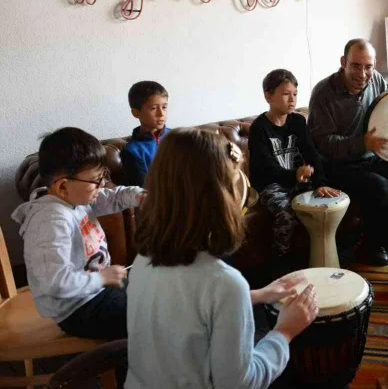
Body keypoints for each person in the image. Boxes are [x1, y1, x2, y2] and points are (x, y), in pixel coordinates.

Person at [126, 128, 319, 388]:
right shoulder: (225, 283)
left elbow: (189, 308)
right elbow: (241, 383)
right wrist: (284, 331)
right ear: (223, 200)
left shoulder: (143, 261)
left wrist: (257, 294)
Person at [11, 127, 144, 340]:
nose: (101, 186)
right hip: (77, 308)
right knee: (145, 317)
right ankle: (125, 366)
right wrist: (101, 278)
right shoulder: (51, 220)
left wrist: (139, 195)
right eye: (96, 180)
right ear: (63, 186)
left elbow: (112, 198)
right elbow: (55, 282)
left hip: (96, 290)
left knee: (150, 295)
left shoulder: (77, 198)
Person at [307, 38, 388, 266]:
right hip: (336, 165)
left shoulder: (376, 80)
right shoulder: (323, 93)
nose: (362, 74)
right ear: (343, 62)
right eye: (356, 66)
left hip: (370, 157)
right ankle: (371, 246)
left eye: (368, 67)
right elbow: (321, 142)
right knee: (380, 188)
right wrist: (363, 144)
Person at [249, 68, 340, 274]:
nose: (292, 99)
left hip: (297, 180)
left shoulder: (298, 121)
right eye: (285, 94)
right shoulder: (259, 128)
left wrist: (320, 183)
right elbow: (264, 169)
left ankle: (325, 255)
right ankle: (279, 260)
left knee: (325, 205)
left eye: (295, 94)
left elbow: (312, 153)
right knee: (286, 215)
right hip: (271, 185)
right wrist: (294, 175)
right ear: (268, 96)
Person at [121, 81, 170, 187]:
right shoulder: (133, 151)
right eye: (153, 108)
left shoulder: (177, 137)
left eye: (164, 107)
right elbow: (143, 191)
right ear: (136, 113)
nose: (161, 114)